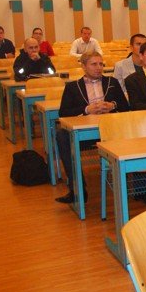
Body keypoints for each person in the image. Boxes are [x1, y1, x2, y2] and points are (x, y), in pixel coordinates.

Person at [55, 51, 129, 204]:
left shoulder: (112, 82)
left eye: (101, 64)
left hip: (113, 129)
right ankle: (77, 188)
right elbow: (63, 113)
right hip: (86, 131)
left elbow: (126, 107)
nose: (98, 67)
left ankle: (138, 185)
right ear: (83, 66)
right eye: (94, 64)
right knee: (62, 136)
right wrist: (87, 109)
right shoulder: (73, 87)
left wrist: (112, 105)